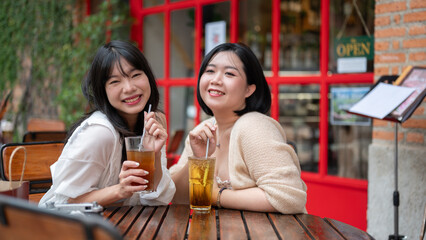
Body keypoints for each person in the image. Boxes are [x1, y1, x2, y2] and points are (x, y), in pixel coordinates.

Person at [170, 43, 307, 214]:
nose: (215, 80)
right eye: (210, 71)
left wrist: (216, 196)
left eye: (229, 73)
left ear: (249, 89)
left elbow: (289, 197)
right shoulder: (203, 131)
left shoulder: (253, 126)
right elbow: (178, 199)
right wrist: (197, 159)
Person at [39, 40, 175, 207]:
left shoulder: (154, 121)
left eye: (135, 75)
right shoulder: (100, 132)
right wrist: (120, 190)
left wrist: (154, 155)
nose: (129, 88)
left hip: (122, 228)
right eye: (115, 82)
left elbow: (155, 198)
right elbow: (61, 203)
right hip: (72, 229)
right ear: (103, 91)